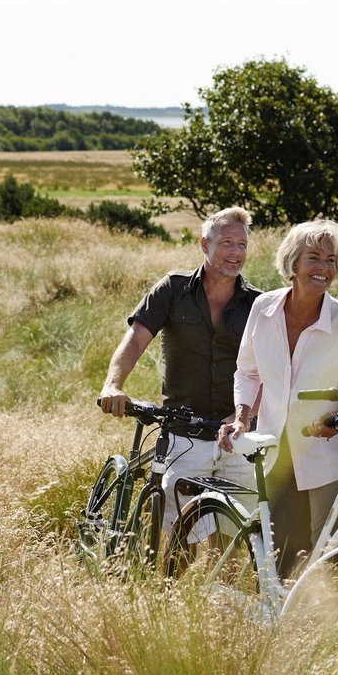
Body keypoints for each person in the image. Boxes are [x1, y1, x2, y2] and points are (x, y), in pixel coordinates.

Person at [220, 218, 338, 577]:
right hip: (275, 450)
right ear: (292, 263)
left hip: (327, 456)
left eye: (331, 260)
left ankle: (336, 615)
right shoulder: (263, 309)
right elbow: (248, 372)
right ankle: (280, 612)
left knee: (334, 557)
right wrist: (241, 417)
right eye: (313, 258)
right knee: (281, 554)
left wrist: (337, 420)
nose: (323, 268)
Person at [98, 206, 261, 522]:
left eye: (242, 244)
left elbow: (268, 371)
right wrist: (113, 385)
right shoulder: (173, 289)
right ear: (204, 244)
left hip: (237, 435)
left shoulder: (258, 304)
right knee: (181, 533)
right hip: (184, 433)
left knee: (236, 534)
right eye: (227, 243)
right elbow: (135, 340)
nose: (235, 252)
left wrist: (244, 416)